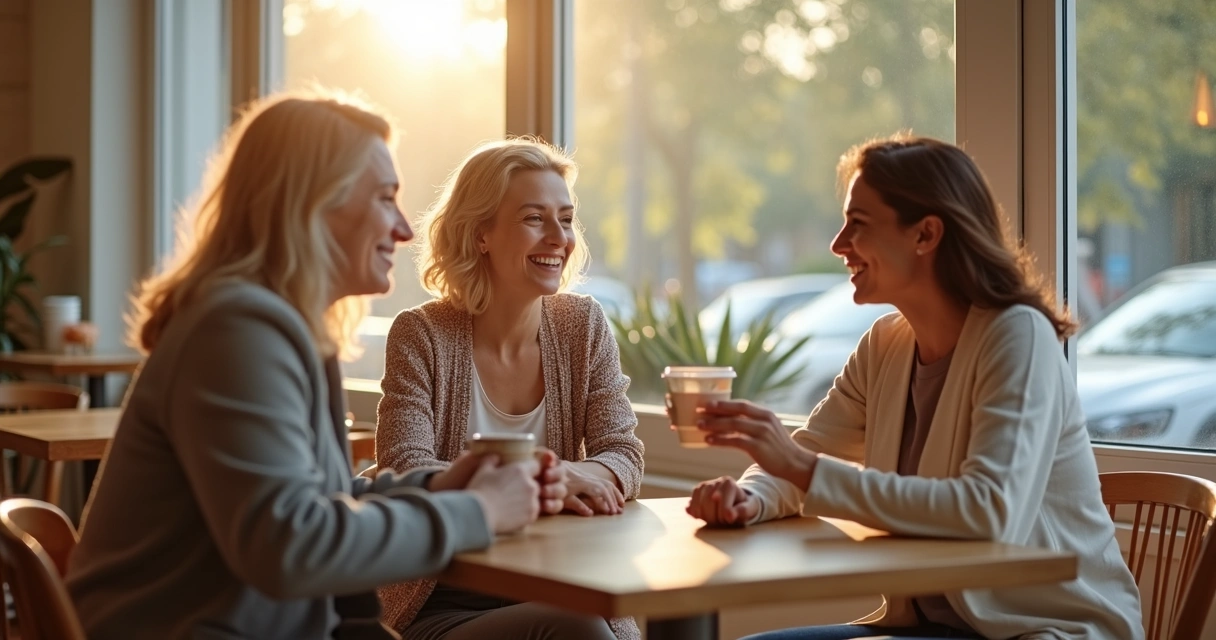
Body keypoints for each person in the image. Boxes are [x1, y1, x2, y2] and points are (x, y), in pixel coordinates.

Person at [66, 90, 566, 640]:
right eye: (384, 198)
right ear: (311, 204)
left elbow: (323, 501)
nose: (403, 229)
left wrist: (443, 486)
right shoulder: (235, 332)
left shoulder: (279, 329)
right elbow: (290, 545)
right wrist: (477, 512)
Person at [686, 135, 1143, 640]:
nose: (838, 245)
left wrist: (799, 467)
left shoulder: (1018, 335)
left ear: (926, 234)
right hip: (929, 630)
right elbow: (805, 457)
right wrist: (748, 498)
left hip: (1043, 631)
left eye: (857, 225)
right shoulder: (885, 345)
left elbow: (991, 511)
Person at [370, 138, 646, 640]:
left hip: (563, 583)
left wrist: (566, 474)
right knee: (575, 631)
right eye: (534, 218)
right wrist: (550, 480)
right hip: (440, 603)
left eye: (565, 218)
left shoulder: (582, 326)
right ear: (481, 235)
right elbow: (406, 467)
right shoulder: (421, 334)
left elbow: (623, 453)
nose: (558, 237)